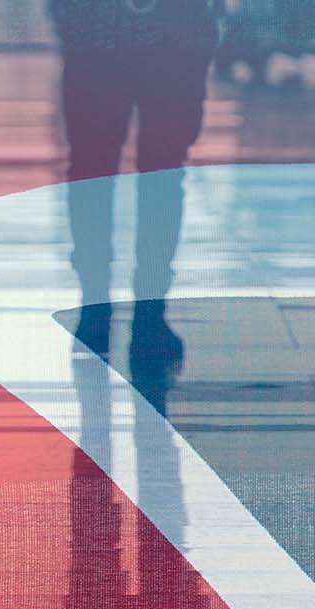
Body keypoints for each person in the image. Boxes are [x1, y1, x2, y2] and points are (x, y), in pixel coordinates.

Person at [54, 0, 217, 358]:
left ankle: (96, 306)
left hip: (100, 35)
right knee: (162, 174)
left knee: (92, 171)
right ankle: (148, 312)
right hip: (172, 35)